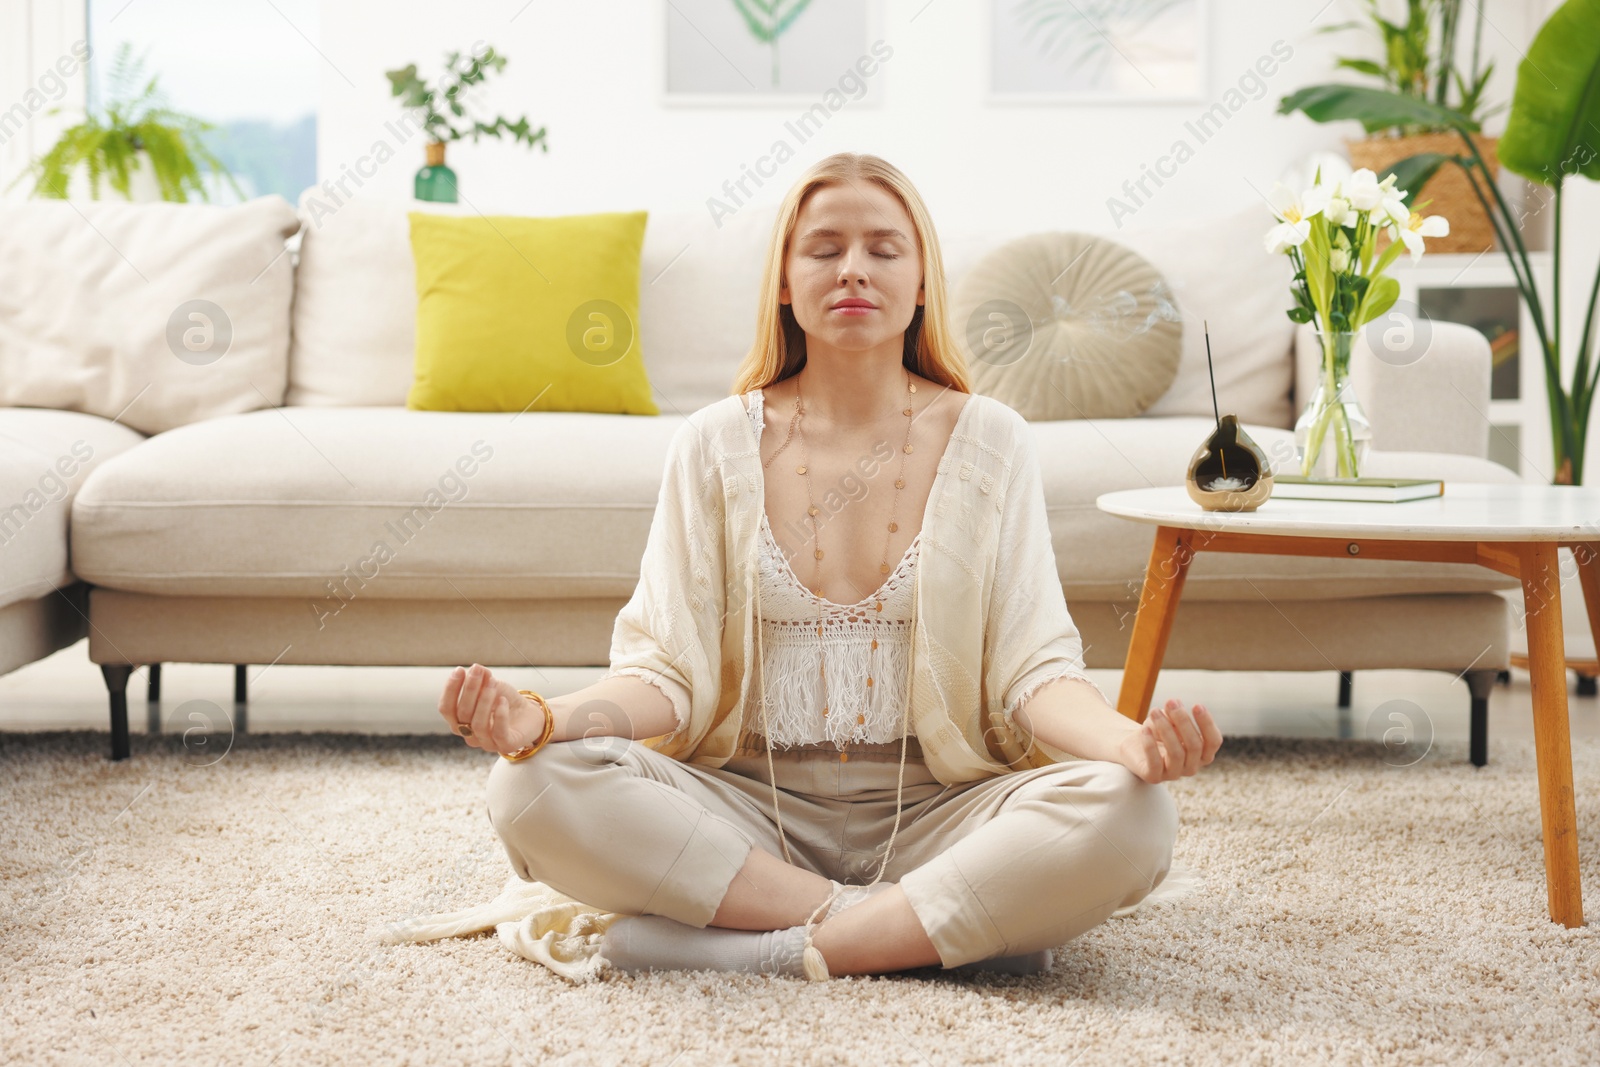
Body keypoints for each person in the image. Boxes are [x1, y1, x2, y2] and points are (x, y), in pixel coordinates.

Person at [439, 153, 1222, 981]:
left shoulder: (991, 438)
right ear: (784, 279)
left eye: (885, 249)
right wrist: (542, 721)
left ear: (923, 282)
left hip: (941, 809)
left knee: (1134, 813)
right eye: (823, 249)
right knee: (528, 786)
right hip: (744, 812)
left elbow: (1033, 672)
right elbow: (666, 672)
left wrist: (1129, 745)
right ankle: (923, 928)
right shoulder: (713, 443)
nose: (853, 268)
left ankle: (754, 950)